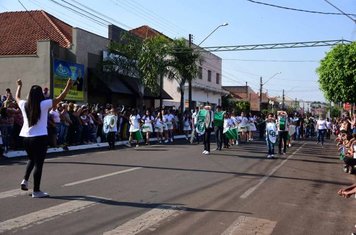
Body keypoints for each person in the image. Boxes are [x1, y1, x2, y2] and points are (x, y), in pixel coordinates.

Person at [16, 78, 73, 198]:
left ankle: (25, 180)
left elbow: (17, 97)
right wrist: (68, 86)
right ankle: (36, 191)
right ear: (41, 94)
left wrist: (19, 86)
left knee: (32, 159)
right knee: (38, 164)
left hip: (26, 137)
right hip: (39, 137)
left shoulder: (23, 104)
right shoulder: (44, 104)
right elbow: (60, 98)